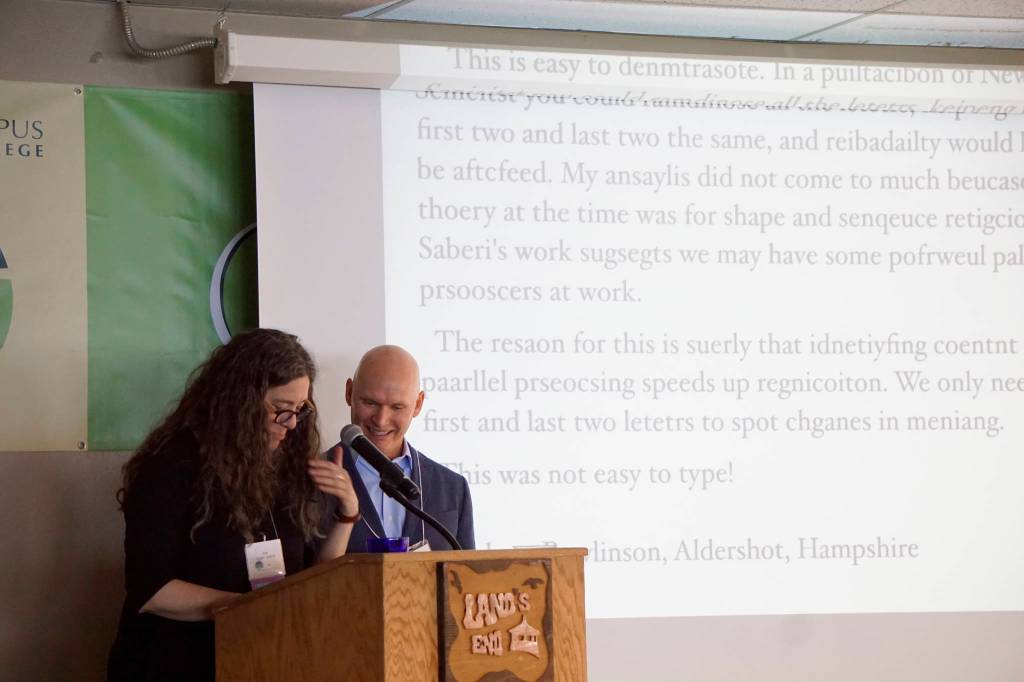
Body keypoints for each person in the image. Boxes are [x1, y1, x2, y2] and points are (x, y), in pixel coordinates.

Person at [107, 328, 360, 682]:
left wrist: (347, 514)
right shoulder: (170, 465)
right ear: (239, 400)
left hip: (262, 659)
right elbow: (152, 591)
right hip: (174, 662)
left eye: (300, 410)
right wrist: (249, 608)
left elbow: (308, 584)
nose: (290, 424)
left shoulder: (287, 467)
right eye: (280, 410)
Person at [340, 345, 474, 553]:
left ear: (418, 404)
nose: (381, 420)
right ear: (349, 392)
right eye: (370, 403)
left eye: (397, 407)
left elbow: (465, 578)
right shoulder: (304, 481)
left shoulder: (452, 488)